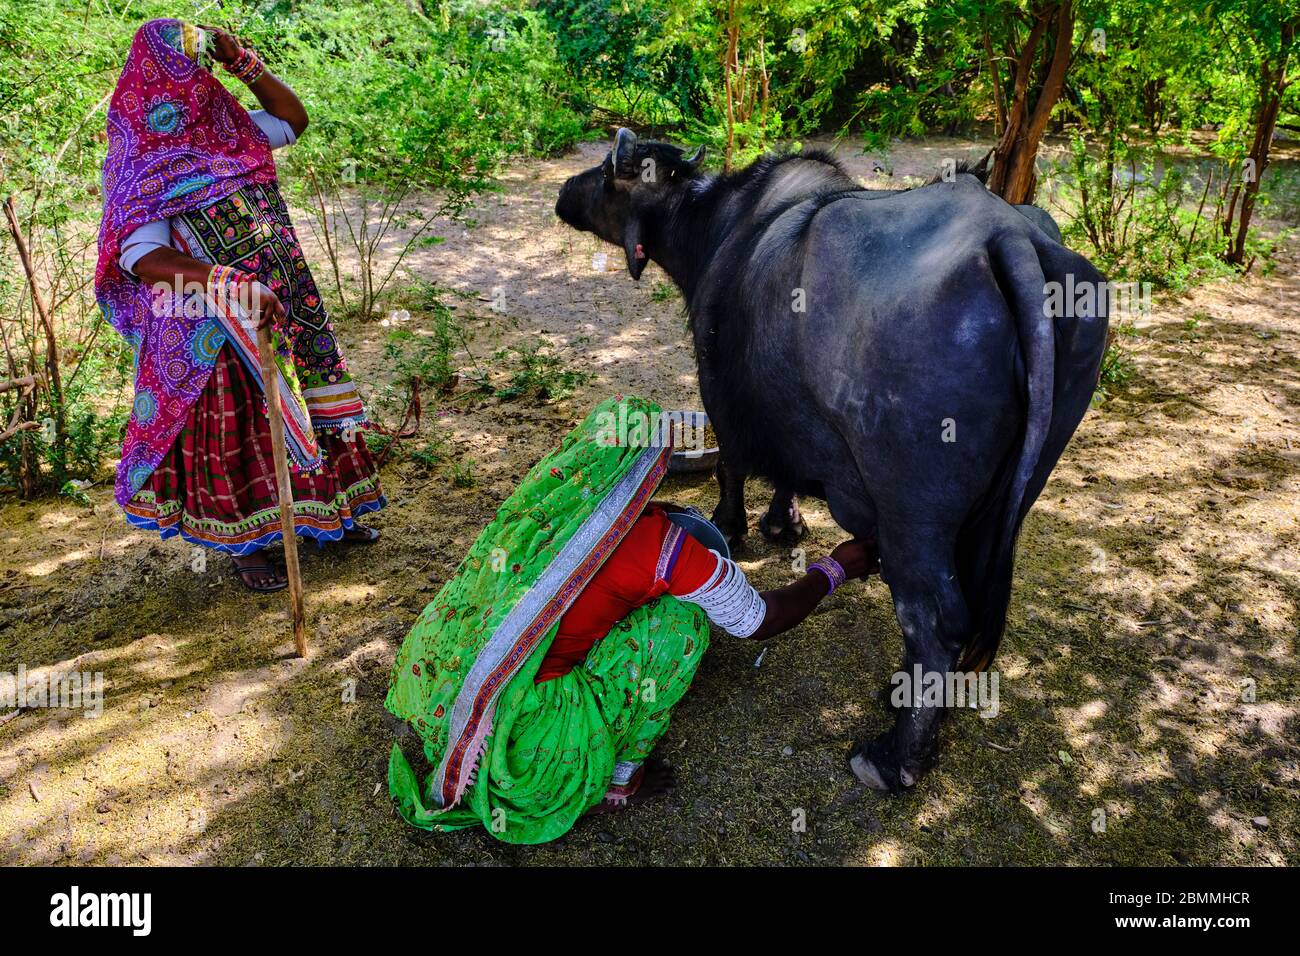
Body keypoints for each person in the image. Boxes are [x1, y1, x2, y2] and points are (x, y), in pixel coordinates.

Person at [386, 396, 877, 844]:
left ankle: (450, 737)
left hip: (439, 684)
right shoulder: (660, 546)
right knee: (679, 626)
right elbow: (758, 620)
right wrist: (834, 569)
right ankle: (616, 784)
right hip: (522, 751)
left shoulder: (549, 499)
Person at [94, 19, 383, 593]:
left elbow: (293, 120)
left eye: (198, 66)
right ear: (154, 81)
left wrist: (243, 62)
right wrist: (231, 282)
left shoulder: (228, 131)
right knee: (241, 424)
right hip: (208, 322)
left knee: (304, 404)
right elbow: (142, 258)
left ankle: (328, 514)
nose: (194, 81)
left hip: (282, 303)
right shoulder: (145, 159)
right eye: (183, 67)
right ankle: (245, 544)